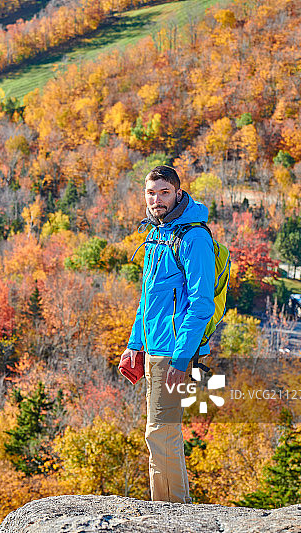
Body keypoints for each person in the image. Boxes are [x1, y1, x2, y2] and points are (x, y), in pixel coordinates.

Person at [120, 165, 215, 504]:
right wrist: (135, 345)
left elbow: (201, 304)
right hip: (154, 351)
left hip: (174, 355)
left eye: (163, 192)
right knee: (159, 434)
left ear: (177, 192)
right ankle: (164, 510)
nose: (156, 199)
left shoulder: (194, 238)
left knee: (162, 433)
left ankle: (175, 515)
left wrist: (181, 358)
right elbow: (147, 298)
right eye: (150, 193)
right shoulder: (156, 234)